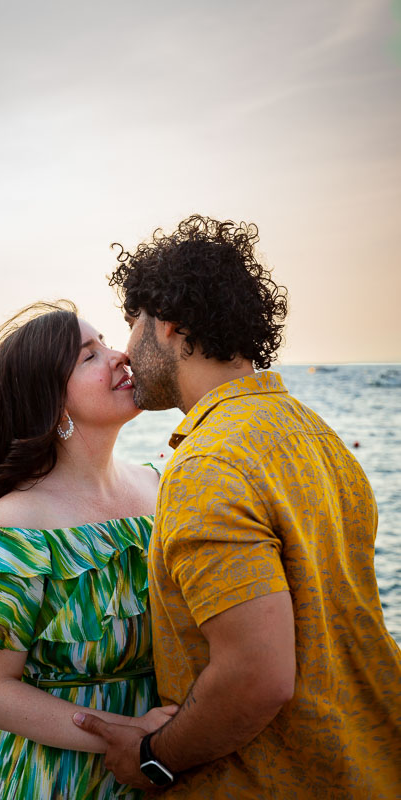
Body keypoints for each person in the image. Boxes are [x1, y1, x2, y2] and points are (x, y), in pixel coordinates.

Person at [73, 216, 401, 798]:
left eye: (131, 325)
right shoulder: (313, 433)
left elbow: (256, 675)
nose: (124, 351)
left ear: (168, 326)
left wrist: (153, 757)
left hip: (271, 780)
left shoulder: (208, 468)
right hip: (368, 762)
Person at [0, 301, 177, 800]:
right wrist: (126, 732)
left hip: (165, 763)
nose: (121, 355)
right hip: (61, 778)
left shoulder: (159, 485)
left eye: (105, 342)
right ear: (51, 400)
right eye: (89, 356)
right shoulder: (20, 523)